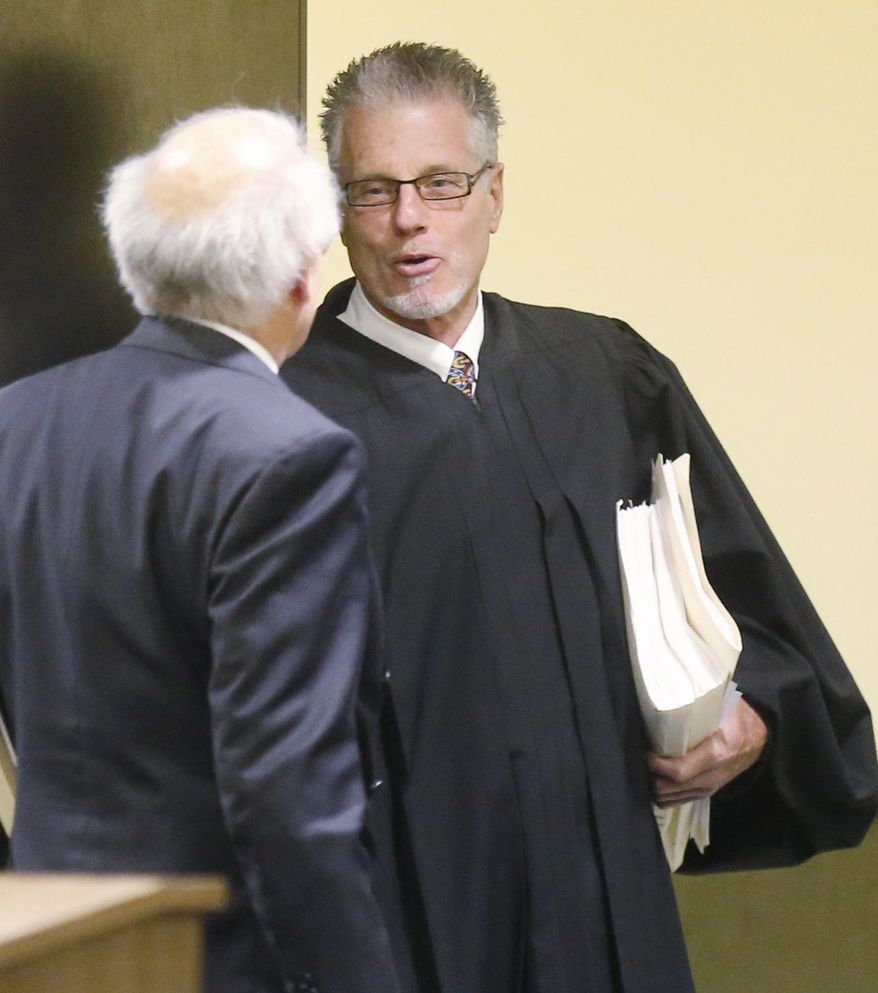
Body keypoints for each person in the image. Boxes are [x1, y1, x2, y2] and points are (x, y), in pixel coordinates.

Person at [281, 42, 878, 993]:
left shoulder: (606, 374)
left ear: (495, 195)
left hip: (612, 913)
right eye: (373, 190)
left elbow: (747, 597)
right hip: (405, 935)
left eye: (442, 183)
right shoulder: (276, 423)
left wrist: (754, 718)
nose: (409, 221)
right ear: (334, 212)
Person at [0, 107, 400, 993]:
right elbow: (288, 791)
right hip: (216, 961)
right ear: (302, 278)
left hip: (49, 947)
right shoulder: (290, 452)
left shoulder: (14, 420)